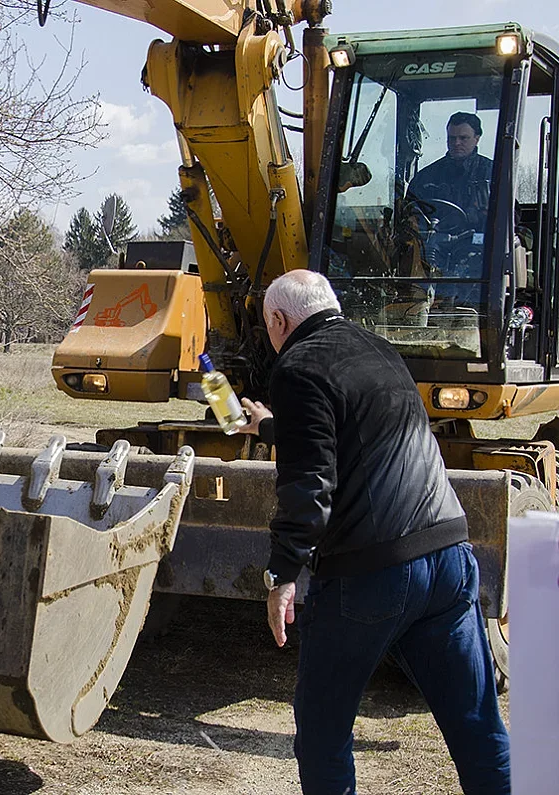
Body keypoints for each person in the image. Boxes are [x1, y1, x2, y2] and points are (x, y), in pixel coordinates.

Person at [237, 270, 510, 794]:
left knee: (323, 730)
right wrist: (271, 427)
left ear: (278, 319)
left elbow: (308, 484)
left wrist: (283, 574)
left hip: (372, 572)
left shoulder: (298, 366)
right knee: (476, 724)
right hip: (448, 556)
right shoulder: (381, 351)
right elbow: (357, 434)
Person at [407, 111, 493, 228]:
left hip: (479, 243)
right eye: (452, 138)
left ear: (476, 139)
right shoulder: (426, 177)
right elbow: (408, 214)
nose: (456, 143)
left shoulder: (492, 173)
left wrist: (489, 211)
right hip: (433, 243)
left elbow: (512, 215)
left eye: (463, 138)